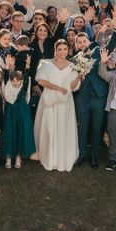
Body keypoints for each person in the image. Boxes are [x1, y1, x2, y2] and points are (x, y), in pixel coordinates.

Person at [73, 28, 116, 169]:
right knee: (82, 128)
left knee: (96, 128)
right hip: (82, 98)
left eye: (84, 40)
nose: (82, 43)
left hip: (99, 98)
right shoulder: (73, 60)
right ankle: (82, 155)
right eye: (79, 42)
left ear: (89, 41)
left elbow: (110, 45)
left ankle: (93, 156)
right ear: (76, 45)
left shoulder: (97, 53)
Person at [33, 40, 82, 172]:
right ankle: (49, 156)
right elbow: (41, 81)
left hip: (66, 102)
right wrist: (58, 88)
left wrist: (79, 77)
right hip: (49, 99)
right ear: (55, 50)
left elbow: (72, 87)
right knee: (49, 127)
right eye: (60, 49)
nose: (62, 52)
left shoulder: (73, 66)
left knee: (63, 127)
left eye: (65, 49)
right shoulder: (46, 63)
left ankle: (62, 157)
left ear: (68, 50)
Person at [0, 55, 36, 169]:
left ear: (21, 81)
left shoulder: (23, 88)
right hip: (10, 112)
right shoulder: (8, 87)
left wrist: (28, 66)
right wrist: (7, 66)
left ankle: (18, 157)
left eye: (18, 81)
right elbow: (5, 77)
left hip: (22, 112)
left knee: (21, 132)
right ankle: (9, 157)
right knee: (10, 132)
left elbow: (26, 77)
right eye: (13, 80)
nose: (15, 82)